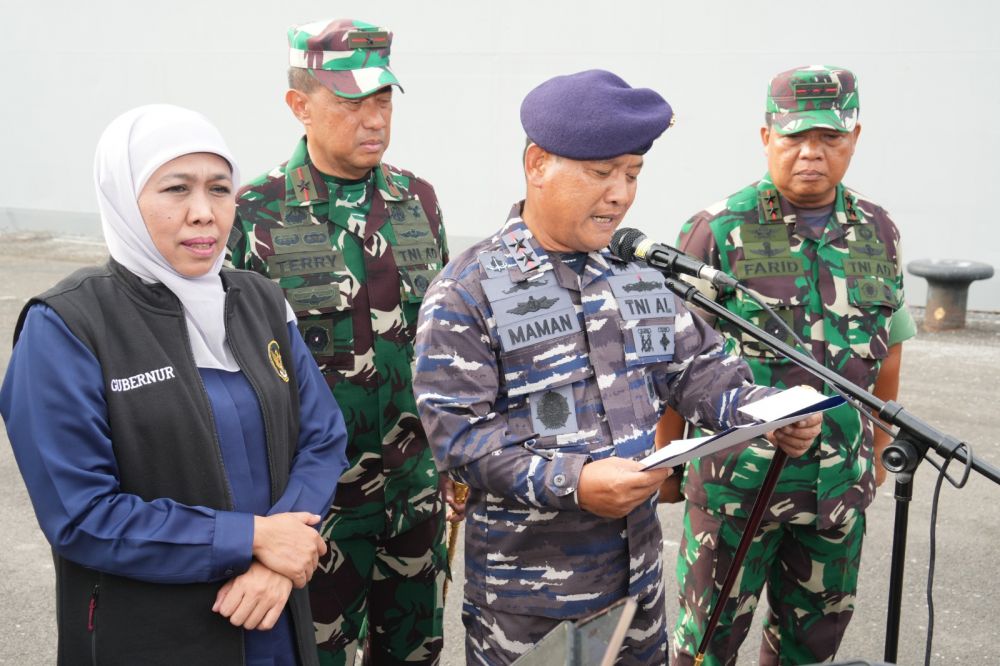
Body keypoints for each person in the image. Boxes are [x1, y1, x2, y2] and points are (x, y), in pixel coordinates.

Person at [411, 69, 822, 666]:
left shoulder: (633, 274)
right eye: (601, 174)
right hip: (533, 603)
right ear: (537, 164)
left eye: (633, 174)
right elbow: (461, 441)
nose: (621, 194)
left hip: (638, 587)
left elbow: (699, 370)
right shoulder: (469, 290)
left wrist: (766, 411)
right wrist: (576, 481)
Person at [0, 104, 350, 665]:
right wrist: (253, 540)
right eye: (174, 189)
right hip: (151, 635)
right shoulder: (69, 326)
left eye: (219, 189)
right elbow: (82, 514)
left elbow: (323, 437)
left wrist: (276, 559)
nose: (203, 214)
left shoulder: (260, 300)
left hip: (269, 616)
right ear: (122, 196)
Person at [658, 65, 918, 665]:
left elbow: (890, 347)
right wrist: (667, 463)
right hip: (735, 489)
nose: (811, 153)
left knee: (812, 646)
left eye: (829, 138)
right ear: (765, 136)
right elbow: (674, 357)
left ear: (854, 137)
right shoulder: (717, 228)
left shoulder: (878, 230)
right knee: (706, 646)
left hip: (836, 490)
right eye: (795, 137)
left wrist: (878, 451)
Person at [227, 18, 451, 665]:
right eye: (352, 103)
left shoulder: (418, 201)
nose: (374, 119)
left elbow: (439, 341)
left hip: (412, 498)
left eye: (382, 101)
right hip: (310, 511)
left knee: (414, 654)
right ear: (299, 104)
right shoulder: (255, 214)